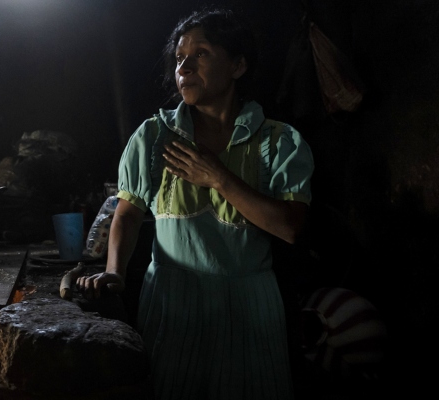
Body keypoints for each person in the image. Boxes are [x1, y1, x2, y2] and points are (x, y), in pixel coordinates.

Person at [77, 6, 314, 400]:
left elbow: (289, 227)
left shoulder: (278, 141)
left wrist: (218, 177)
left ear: (238, 65)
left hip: (249, 309)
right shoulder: (155, 137)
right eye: (179, 58)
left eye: (201, 54)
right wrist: (114, 272)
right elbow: (128, 213)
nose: (184, 66)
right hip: (172, 303)